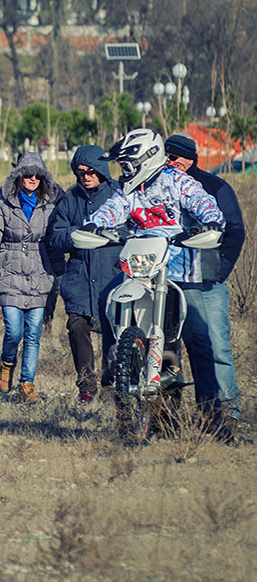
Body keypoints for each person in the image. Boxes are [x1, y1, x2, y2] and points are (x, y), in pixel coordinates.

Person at [87, 130, 224, 398]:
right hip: (139, 265)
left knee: (198, 337)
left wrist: (211, 219)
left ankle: (212, 410)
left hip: (177, 268)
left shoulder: (177, 181)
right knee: (106, 297)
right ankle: (114, 361)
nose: (125, 170)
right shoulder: (127, 189)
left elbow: (202, 201)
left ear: (147, 158)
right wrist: (95, 223)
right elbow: (114, 207)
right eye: (122, 166)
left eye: (129, 164)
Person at [0, 152, 64, 402]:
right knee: (14, 331)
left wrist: (61, 276)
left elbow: (53, 245)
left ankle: (26, 385)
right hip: (9, 270)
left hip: (40, 273)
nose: (32, 179)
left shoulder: (50, 204)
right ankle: (7, 362)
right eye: (27, 174)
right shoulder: (2, 202)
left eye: (37, 175)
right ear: (18, 176)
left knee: (33, 332)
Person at [163, 133, 244, 439]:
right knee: (171, 348)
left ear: (191, 158)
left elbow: (234, 230)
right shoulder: (160, 185)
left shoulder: (215, 186)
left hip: (207, 282)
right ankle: (171, 416)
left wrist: (220, 270)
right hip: (169, 281)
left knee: (217, 347)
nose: (171, 163)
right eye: (167, 157)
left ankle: (228, 411)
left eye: (176, 158)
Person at [49, 145, 121, 403]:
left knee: (115, 332)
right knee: (77, 326)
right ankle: (86, 386)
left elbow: (133, 230)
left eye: (91, 171)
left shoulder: (118, 196)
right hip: (79, 278)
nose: (86, 177)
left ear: (101, 170)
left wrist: (108, 237)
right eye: (80, 173)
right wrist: (76, 237)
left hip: (112, 277)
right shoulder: (71, 199)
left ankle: (111, 383)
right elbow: (55, 235)